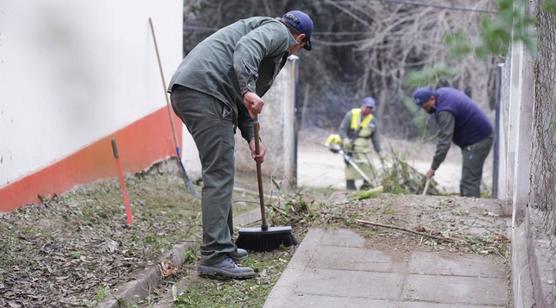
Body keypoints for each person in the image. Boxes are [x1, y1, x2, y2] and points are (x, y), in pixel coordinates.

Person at [167, 11, 313, 279]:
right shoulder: (278, 34)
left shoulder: (264, 35)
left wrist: (252, 137)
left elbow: (244, 100)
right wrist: (247, 89)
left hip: (198, 91)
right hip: (205, 92)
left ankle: (224, 246)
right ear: (300, 38)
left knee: (222, 170)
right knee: (220, 173)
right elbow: (246, 51)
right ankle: (214, 256)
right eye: (301, 47)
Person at [412, 86, 493, 197]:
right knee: (467, 180)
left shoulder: (445, 110)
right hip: (475, 138)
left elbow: (444, 142)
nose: (425, 110)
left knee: (469, 182)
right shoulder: (441, 93)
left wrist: (433, 167)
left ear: (432, 98)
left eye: (426, 106)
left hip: (478, 140)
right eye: (422, 107)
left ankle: (472, 211)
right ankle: (466, 207)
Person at [338, 97, 382, 190]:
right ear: (362, 106)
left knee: (369, 169)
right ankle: (350, 189)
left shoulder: (373, 120)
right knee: (350, 170)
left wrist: (380, 152)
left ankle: (366, 188)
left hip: (364, 150)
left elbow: (376, 139)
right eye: (367, 107)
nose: (368, 110)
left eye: (371, 108)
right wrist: (345, 139)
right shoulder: (351, 114)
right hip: (350, 148)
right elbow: (342, 130)